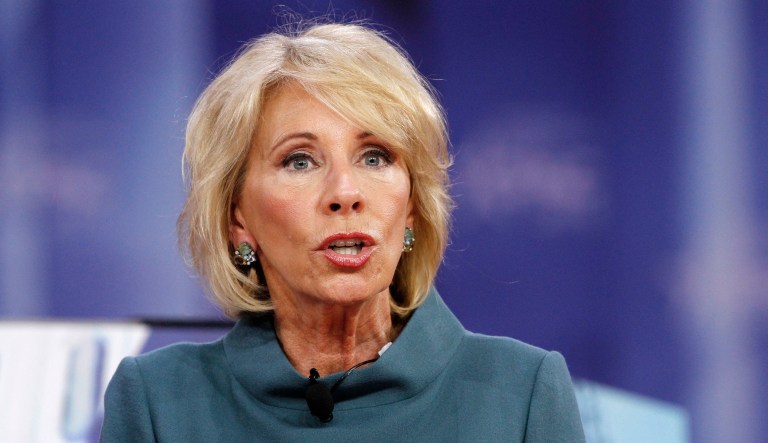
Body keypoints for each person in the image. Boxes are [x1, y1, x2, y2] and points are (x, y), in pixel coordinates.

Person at [100, 21, 586, 442]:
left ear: (413, 208)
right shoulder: (158, 402)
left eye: (375, 157)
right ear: (237, 220)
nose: (345, 192)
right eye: (299, 160)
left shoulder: (521, 394)